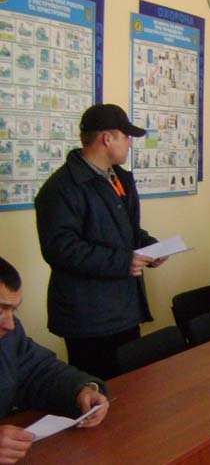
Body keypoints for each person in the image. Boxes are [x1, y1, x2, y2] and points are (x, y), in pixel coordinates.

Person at [35, 104, 167, 380]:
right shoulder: (61, 188)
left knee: (132, 388)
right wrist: (124, 261)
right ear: (107, 138)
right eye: (126, 136)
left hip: (124, 307)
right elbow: (61, 249)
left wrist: (150, 247)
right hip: (89, 317)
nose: (130, 143)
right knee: (101, 390)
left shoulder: (119, 179)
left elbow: (125, 230)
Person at [0, 256, 109, 464]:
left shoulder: (9, 335)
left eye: (13, 310)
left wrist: (82, 390)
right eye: (0, 310)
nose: (10, 324)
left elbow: (39, 372)